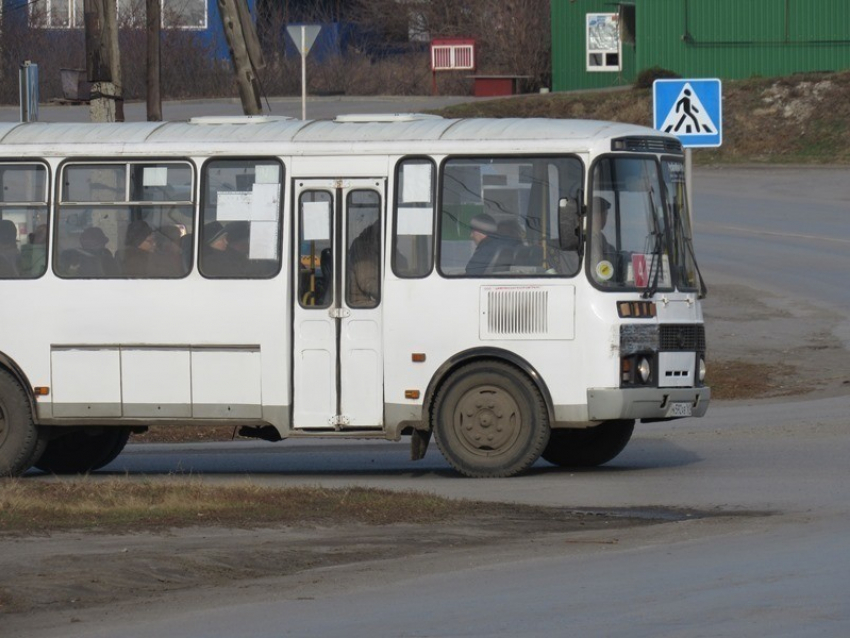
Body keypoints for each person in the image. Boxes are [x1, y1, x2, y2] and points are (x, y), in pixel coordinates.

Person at [347, 219, 380, 307]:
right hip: (360, 302)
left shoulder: (377, 251)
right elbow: (367, 282)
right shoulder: (363, 251)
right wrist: (392, 290)